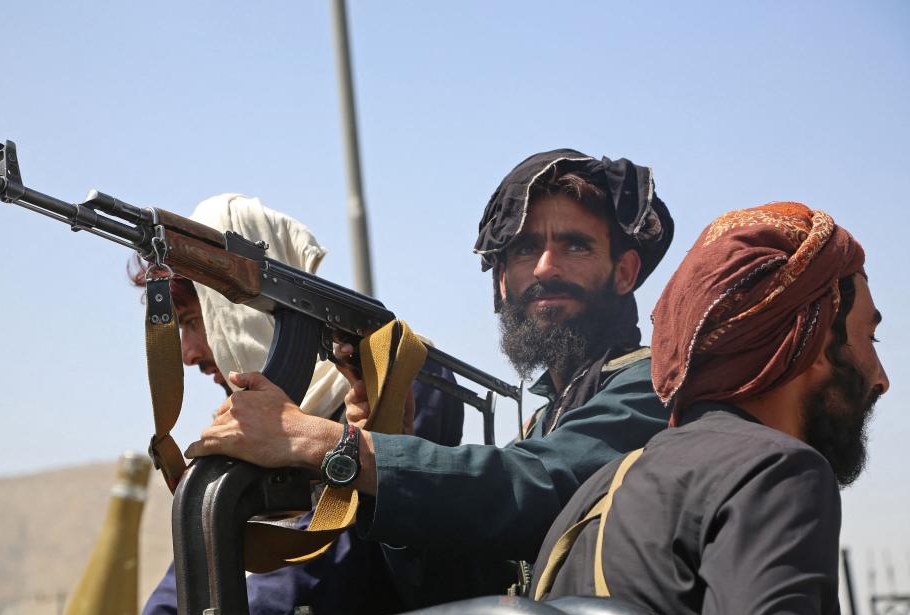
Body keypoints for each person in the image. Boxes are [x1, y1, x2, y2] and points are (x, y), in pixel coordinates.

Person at [184, 150, 676, 583]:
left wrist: (324, 443)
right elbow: (470, 587)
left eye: (575, 245)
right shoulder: (549, 419)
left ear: (625, 272)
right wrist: (387, 444)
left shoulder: (652, 387)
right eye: (525, 249)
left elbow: (539, 482)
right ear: (502, 280)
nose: (546, 267)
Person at [530, 202, 889, 615]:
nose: (881, 378)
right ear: (813, 336)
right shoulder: (775, 472)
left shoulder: (593, 494)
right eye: (868, 337)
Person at [132, 193, 463, 615]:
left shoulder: (403, 379)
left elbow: (318, 570)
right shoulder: (245, 434)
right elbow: (182, 585)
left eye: (195, 320)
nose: (189, 354)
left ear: (240, 310)